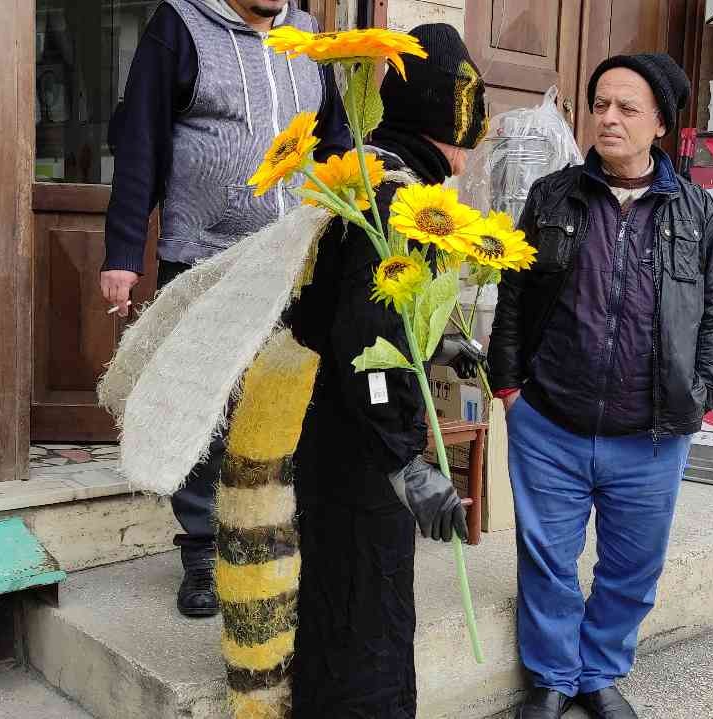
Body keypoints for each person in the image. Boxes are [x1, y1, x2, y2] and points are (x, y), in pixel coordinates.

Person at [488, 53, 713, 719]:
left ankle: (598, 672)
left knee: (631, 568)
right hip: (552, 419)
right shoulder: (553, 196)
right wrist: (508, 387)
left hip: (650, 432)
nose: (609, 118)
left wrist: (702, 391)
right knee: (548, 560)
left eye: (627, 107)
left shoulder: (696, 211)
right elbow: (514, 295)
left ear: (660, 124)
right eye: (600, 105)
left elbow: (711, 312)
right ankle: (554, 676)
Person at [100, 0, 350, 618]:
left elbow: (335, 137)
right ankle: (203, 553)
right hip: (204, 256)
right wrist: (124, 250)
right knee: (201, 404)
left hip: (294, 256)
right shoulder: (180, 26)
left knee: (283, 401)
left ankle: (270, 538)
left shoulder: (307, 37)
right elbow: (141, 141)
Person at [285, 23, 487, 718]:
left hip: (334, 443)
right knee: (364, 623)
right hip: (360, 459)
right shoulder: (398, 199)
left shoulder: (366, 177)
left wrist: (434, 346)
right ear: (452, 113)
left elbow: (342, 316)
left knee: (342, 611)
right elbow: (361, 338)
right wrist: (404, 461)